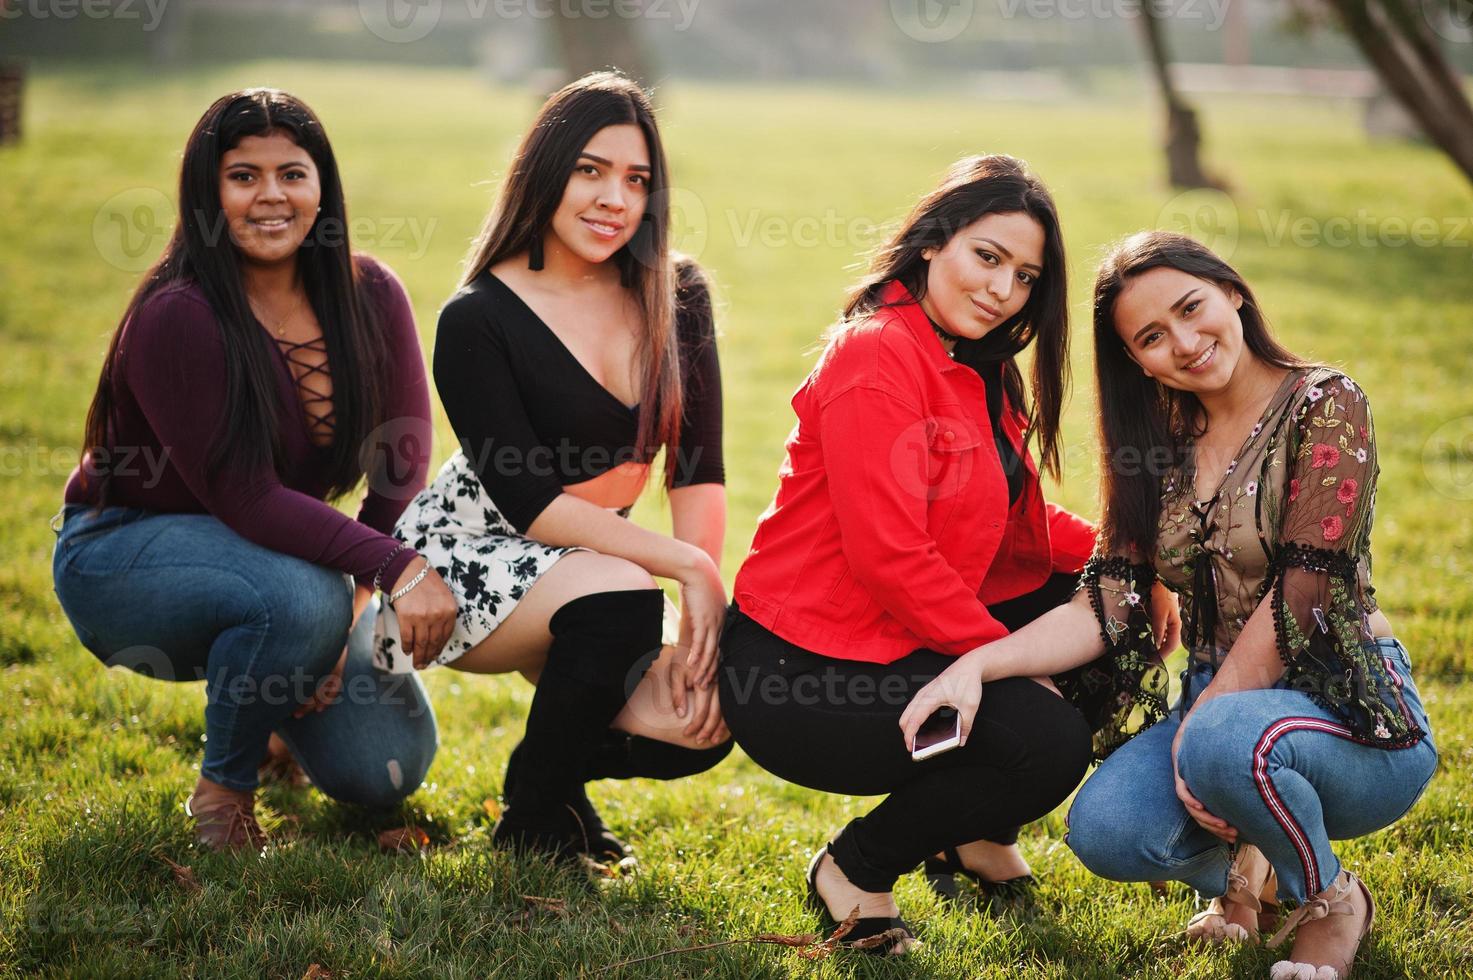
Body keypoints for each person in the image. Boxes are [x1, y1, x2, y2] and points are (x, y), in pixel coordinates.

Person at [901, 231, 1436, 980]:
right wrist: (975, 665)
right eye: (1151, 337)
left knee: (1218, 738)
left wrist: (1201, 737)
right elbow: (1109, 602)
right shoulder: (1155, 445)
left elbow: (1304, 593)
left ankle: (1331, 899)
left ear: (1232, 293)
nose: (1184, 343)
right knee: (1106, 830)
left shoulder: (1325, 403)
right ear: (1134, 359)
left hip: (1349, 715)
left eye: (1192, 308)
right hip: (1220, 708)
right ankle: (1243, 880)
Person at [718, 155, 1179, 954]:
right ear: (933, 243)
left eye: (1025, 276)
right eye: (986, 257)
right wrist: (1005, 660)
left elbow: (1021, 528)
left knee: (1106, 605)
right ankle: (853, 869)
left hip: (898, 635)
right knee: (1047, 738)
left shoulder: (976, 366)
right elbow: (890, 555)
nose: (1001, 290)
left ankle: (972, 835)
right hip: (802, 672)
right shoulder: (874, 355)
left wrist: (1136, 570)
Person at [51, 89, 457, 852]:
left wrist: (353, 610)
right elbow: (245, 497)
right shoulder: (179, 313)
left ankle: (274, 711)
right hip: (124, 555)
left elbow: (399, 470)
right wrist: (389, 572)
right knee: (301, 598)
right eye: (242, 176)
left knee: (386, 772)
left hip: (277, 560)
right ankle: (223, 792)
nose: (271, 196)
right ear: (208, 194)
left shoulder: (371, 294)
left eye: (292, 174)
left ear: (322, 189)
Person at [376, 71, 732, 866]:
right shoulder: (477, 318)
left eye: (636, 179)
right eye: (590, 171)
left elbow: (696, 466)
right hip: (470, 551)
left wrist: (702, 595)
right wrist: (685, 567)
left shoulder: (677, 295)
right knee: (620, 596)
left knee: (706, 713)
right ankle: (534, 818)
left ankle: (549, 774)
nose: (614, 198)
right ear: (546, 171)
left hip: (596, 561)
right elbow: (528, 500)